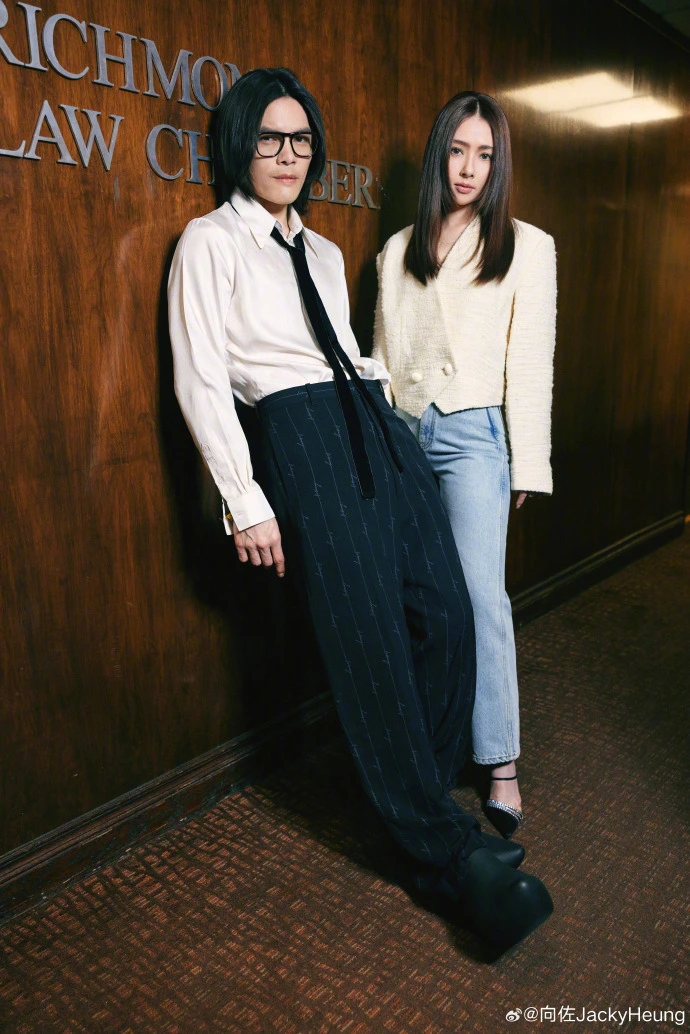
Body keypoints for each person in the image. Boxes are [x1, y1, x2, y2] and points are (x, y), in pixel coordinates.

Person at [167, 67, 553, 955]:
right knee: (369, 638)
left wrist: (388, 423)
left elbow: (346, 347)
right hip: (298, 436)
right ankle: (445, 859)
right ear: (240, 144)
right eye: (270, 138)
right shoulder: (209, 242)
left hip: (373, 423)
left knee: (446, 615)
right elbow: (200, 380)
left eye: (301, 140)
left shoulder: (325, 251)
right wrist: (244, 500)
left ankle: (415, 796)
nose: (288, 155)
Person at [373, 91, 557, 838]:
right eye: (457, 150)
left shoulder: (527, 245)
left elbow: (531, 360)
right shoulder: (397, 248)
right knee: (417, 598)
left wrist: (527, 463)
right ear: (439, 155)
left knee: (482, 599)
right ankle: (430, 745)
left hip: (476, 434)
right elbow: (381, 357)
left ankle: (500, 761)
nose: (469, 168)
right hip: (404, 432)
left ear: (498, 162)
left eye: (484, 154)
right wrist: (379, 443)